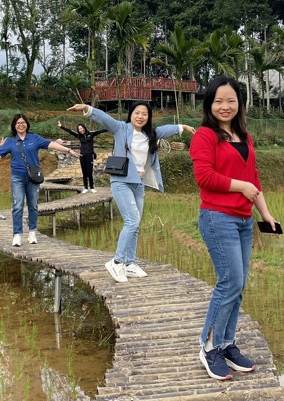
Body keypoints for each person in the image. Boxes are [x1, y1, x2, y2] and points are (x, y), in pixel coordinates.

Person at [189, 75, 278, 381]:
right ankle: (209, 347)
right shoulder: (204, 136)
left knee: (238, 287)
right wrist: (241, 187)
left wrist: (266, 214)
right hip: (217, 218)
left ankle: (227, 344)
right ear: (209, 104)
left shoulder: (245, 137)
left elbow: (254, 179)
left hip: (243, 220)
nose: (224, 106)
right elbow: (205, 177)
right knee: (229, 282)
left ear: (239, 103)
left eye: (230, 100)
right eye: (218, 101)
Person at [67, 101, 195, 283]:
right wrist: (86, 108)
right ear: (131, 114)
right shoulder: (121, 128)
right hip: (121, 181)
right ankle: (117, 262)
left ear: (148, 117)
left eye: (144, 113)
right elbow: (104, 118)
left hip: (138, 183)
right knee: (132, 220)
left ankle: (129, 264)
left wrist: (183, 127)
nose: (140, 116)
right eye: (137, 113)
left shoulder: (150, 134)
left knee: (135, 224)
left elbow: (166, 129)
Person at [0, 113, 77, 247]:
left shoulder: (35, 138)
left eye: (23, 123)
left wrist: (68, 150)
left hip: (33, 177)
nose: (21, 125)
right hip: (17, 178)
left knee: (33, 205)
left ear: (26, 124)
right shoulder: (10, 141)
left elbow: (52, 145)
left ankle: (32, 232)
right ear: (14, 126)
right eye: (18, 123)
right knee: (17, 205)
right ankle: (17, 234)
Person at [57, 120, 107, 193]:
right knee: (84, 172)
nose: (81, 130)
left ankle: (92, 187)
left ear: (84, 127)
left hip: (90, 155)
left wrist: (111, 127)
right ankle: (85, 187)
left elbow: (100, 131)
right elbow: (70, 131)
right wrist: (61, 126)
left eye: (81, 128)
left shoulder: (91, 134)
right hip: (82, 155)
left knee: (89, 172)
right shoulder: (79, 136)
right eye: (79, 129)